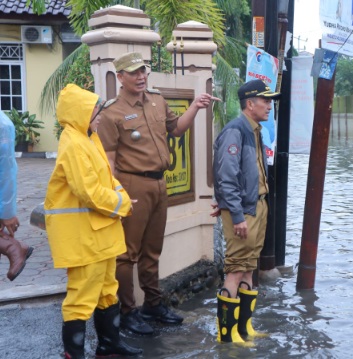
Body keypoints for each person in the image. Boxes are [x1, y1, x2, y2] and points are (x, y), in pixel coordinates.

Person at [97, 52, 220, 335]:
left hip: (159, 183)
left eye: (143, 71)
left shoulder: (157, 101)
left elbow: (176, 129)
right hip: (132, 185)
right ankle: (127, 311)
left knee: (153, 249)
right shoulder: (111, 112)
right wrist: (117, 195)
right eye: (134, 72)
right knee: (128, 253)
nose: (141, 76)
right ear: (120, 78)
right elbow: (110, 161)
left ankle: (153, 304)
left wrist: (197, 107)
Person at [44, 84, 141, 359]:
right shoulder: (73, 143)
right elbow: (88, 191)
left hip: (100, 232)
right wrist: (121, 203)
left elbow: (108, 179)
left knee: (107, 290)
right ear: (82, 113)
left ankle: (109, 345)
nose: (100, 116)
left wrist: (120, 197)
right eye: (97, 111)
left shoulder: (88, 138)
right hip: (84, 236)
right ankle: (74, 353)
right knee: (82, 295)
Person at [211, 79, 280, 343]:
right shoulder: (236, 131)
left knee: (250, 267)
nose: (269, 106)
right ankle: (226, 335)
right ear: (250, 104)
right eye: (265, 101)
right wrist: (236, 215)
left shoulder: (255, 130)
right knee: (236, 269)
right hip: (243, 211)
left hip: (257, 205)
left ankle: (244, 329)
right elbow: (225, 176)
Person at [0, 111, 33, 281]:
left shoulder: (2, 125)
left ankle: (13, 247)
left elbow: (6, 170)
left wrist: (7, 212)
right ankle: (13, 247)